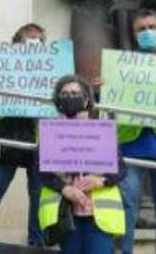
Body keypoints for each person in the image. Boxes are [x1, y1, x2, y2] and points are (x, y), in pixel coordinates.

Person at [0, 23, 46, 246]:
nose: (35, 43)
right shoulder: (1, 68)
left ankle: (37, 243)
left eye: (39, 40)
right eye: (31, 38)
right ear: (17, 42)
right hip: (8, 137)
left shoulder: (50, 69)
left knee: (38, 195)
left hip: (39, 140)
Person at [38, 75, 126, 253]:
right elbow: (41, 170)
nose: (70, 97)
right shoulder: (50, 132)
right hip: (66, 215)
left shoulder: (102, 130)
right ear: (58, 100)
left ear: (86, 99)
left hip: (98, 215)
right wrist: (65, 189)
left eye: (74, 93)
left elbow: (121, 169)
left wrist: (100, 181)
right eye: (64, 94)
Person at [116, 9, 156, 254]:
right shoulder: (121, 66)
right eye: (141, 29)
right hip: (129, 146)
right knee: (126, 206)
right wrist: (102, 88)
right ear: (134, 35)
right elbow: (106, 102)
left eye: (152, 27)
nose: (147, 32)